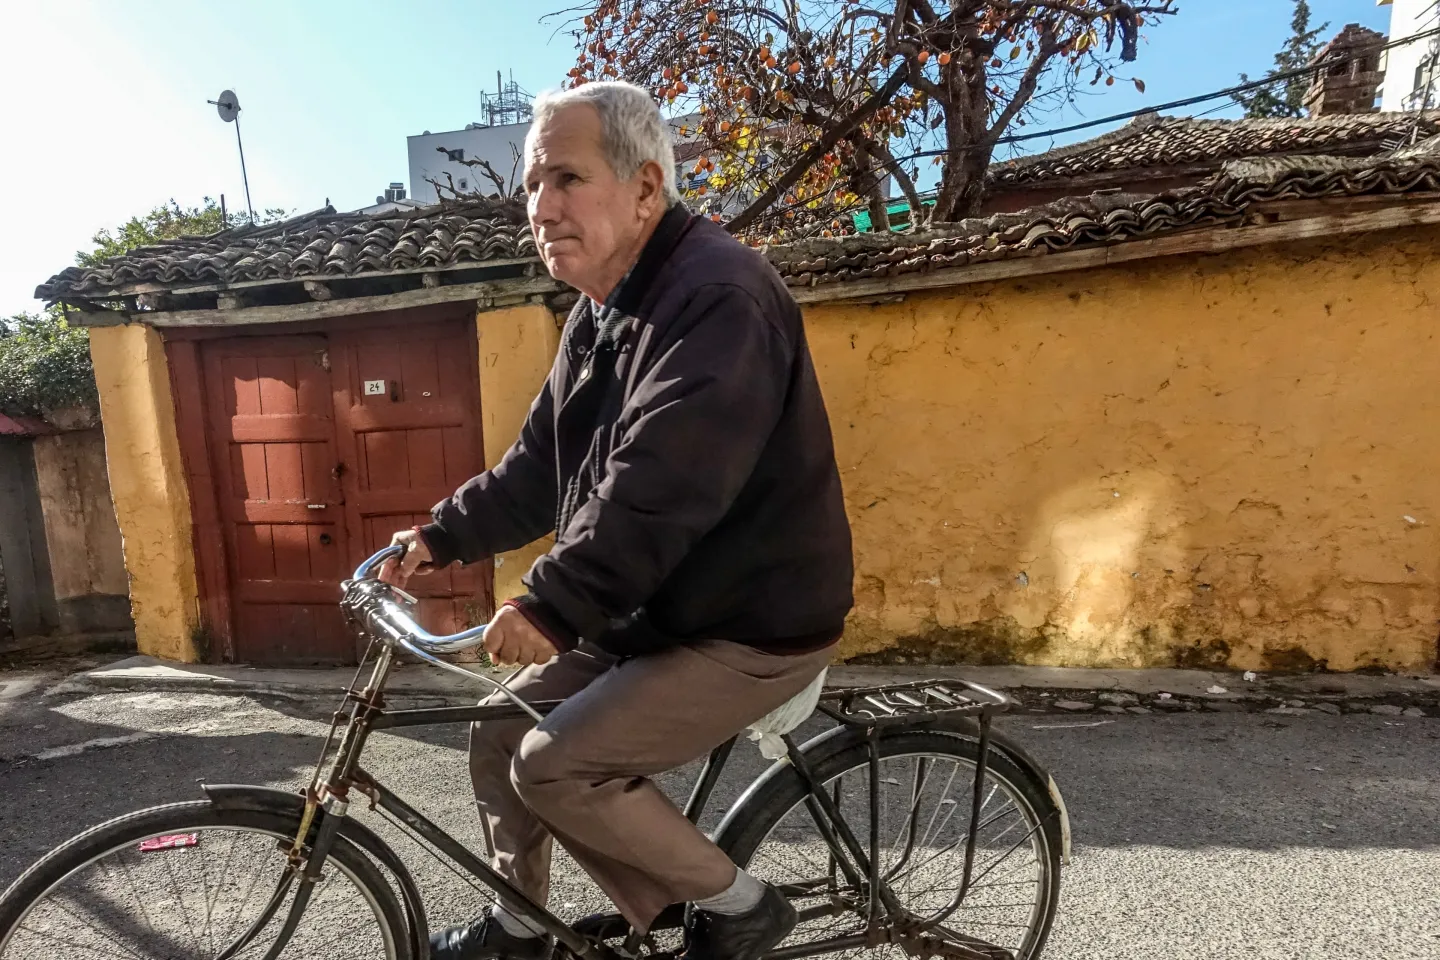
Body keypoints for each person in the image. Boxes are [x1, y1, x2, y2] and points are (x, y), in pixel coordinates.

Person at [380, 80, 853, 960]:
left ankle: (742, 906)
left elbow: (661, 485)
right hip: (659, 610)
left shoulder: (718, 297)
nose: (541, 206)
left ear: (645, 189)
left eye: (567, 178)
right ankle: (528, 926)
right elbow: (537, 468)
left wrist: (553, 606)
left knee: (553, 762)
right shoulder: (602, 312)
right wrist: (437, 536)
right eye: (532, 184)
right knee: (501, 726)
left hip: (749, 623)